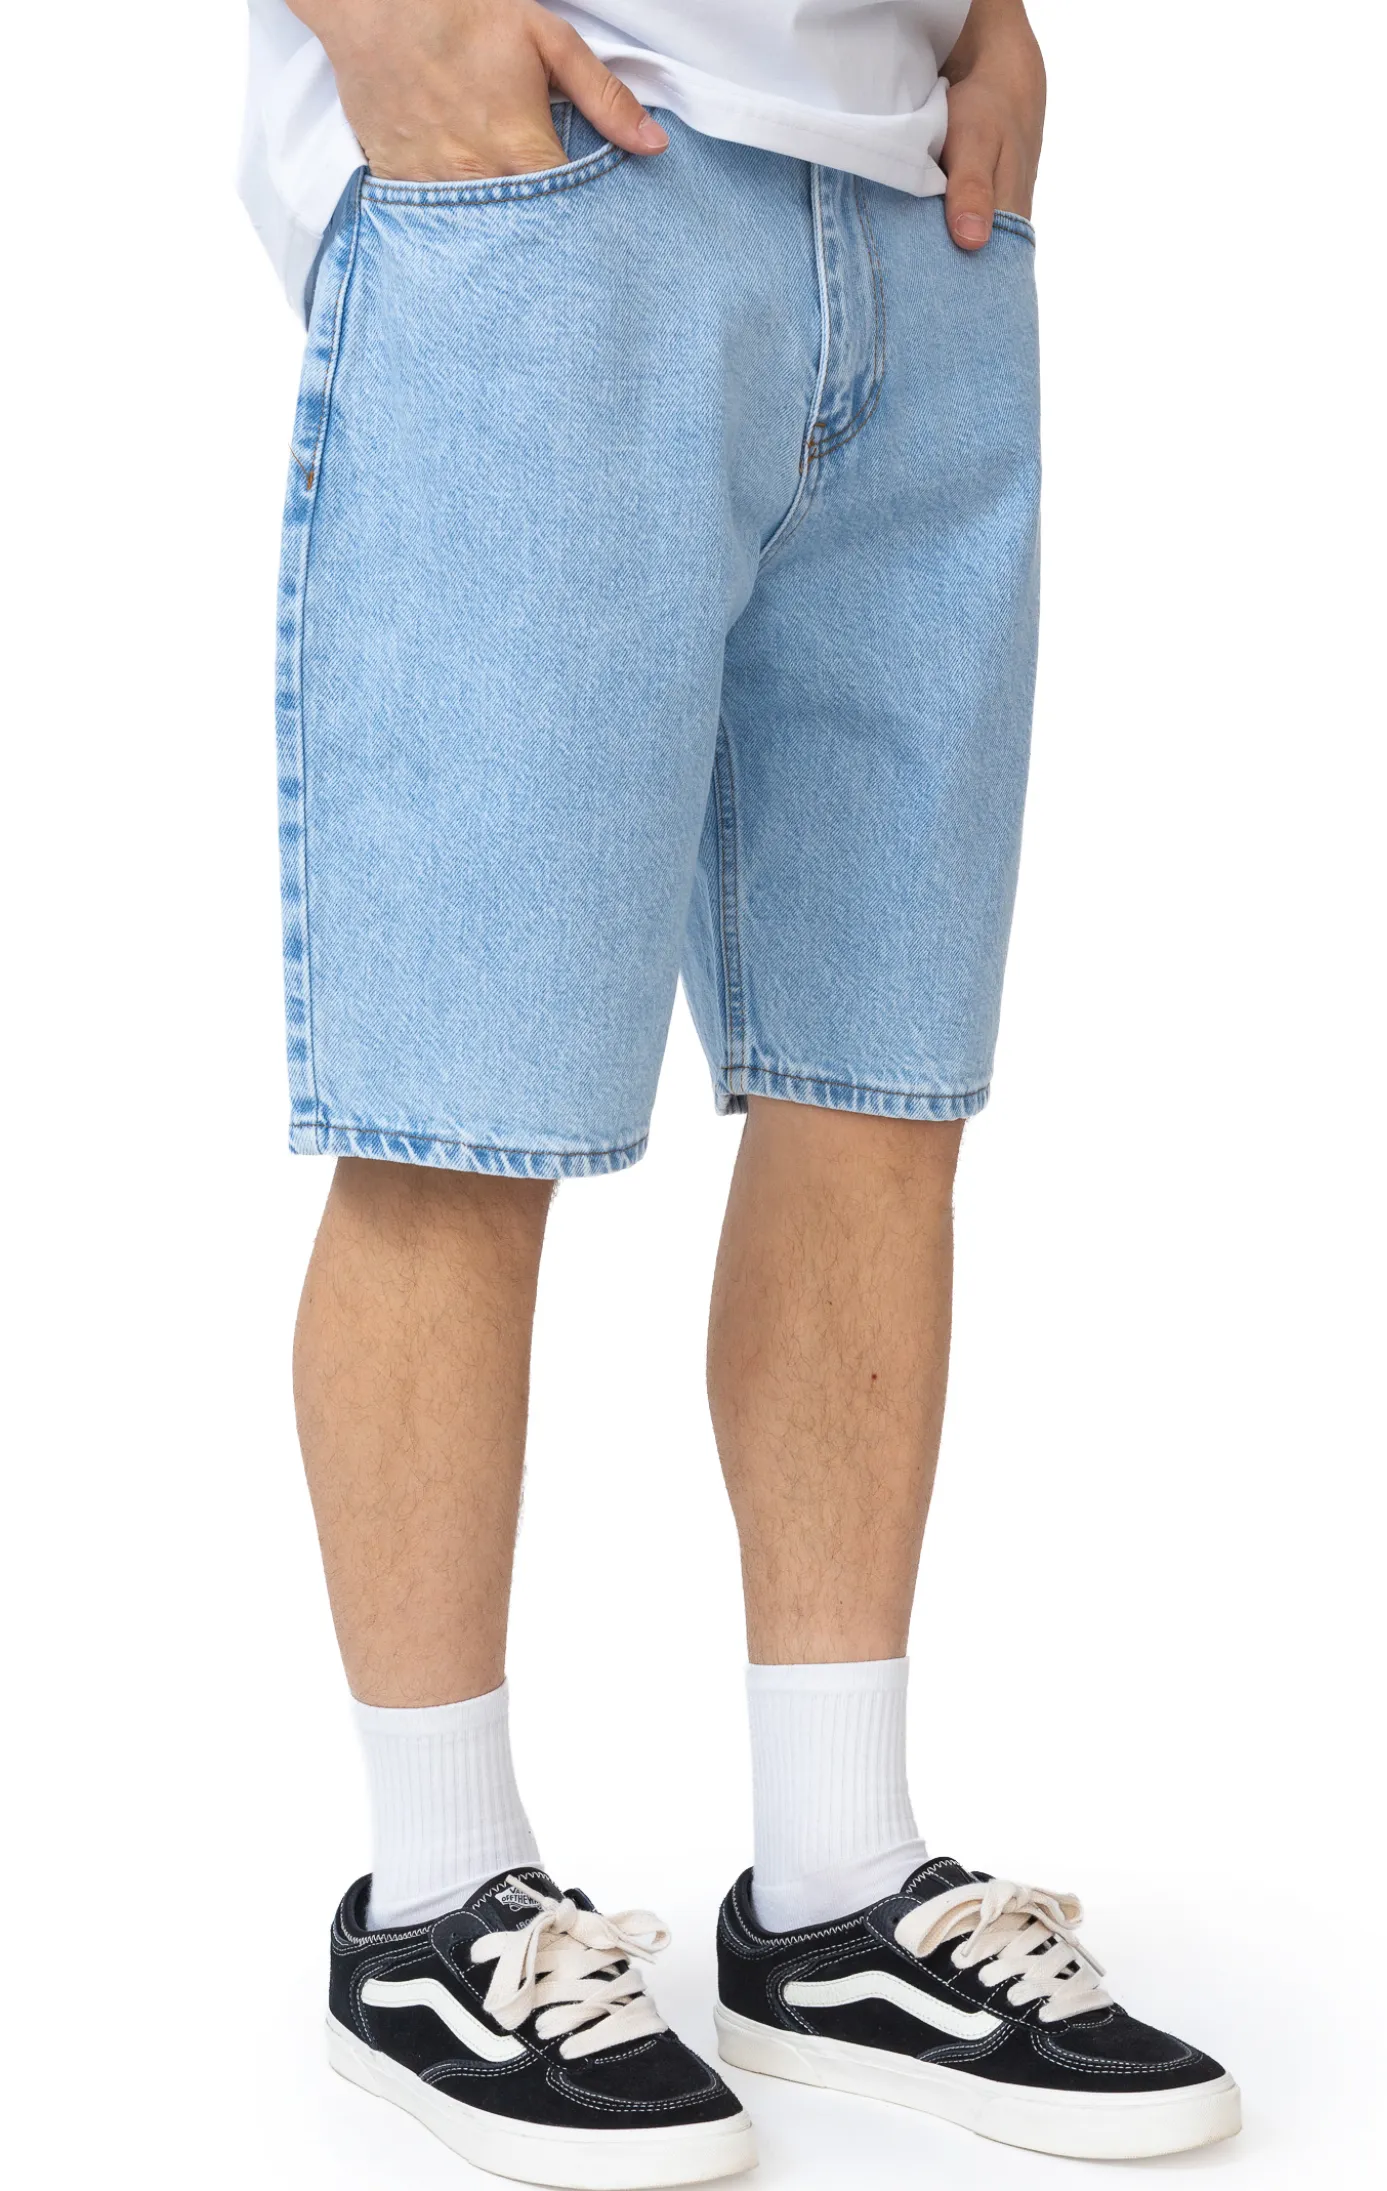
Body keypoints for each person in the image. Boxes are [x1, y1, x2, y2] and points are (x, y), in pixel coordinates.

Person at [240, 2, 1240, 2180]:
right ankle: (431, 1902)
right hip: (557, 189)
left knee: (876, 1091)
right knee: (457, 1108)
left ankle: (838, 1892)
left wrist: (992, 24)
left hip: (915, 210)